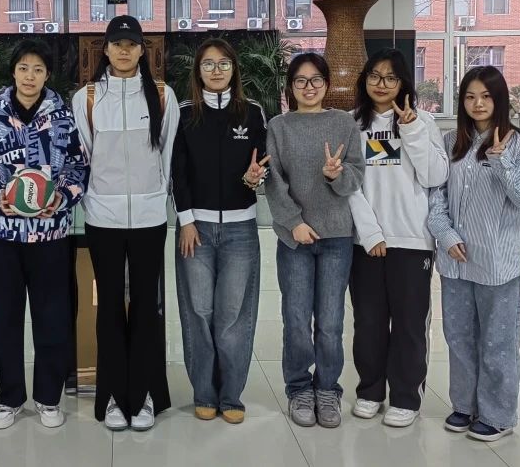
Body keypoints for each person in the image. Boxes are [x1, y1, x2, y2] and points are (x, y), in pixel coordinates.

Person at [0, 39, 89, 430]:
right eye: (23, 68)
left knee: (52, 317)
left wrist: (62, 199)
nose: (30, 76)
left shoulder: (63, 118)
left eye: (38, 69)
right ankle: (10, 398)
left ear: (47, 75)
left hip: (50, 235)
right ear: (13, 72)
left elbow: (79, 168)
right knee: (4, 318)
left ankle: (48, 398)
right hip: (2, 236)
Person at [71, 15, 180, 432]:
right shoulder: (87, 97)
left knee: (147, 309)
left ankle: (145, 394)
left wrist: (160, 198)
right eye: (116, 43)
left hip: (150, 218)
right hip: (104, 219)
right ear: (106, 49)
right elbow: (83, 156)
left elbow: (167, 154)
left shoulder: (162, 95)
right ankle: (114, 397)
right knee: (110, 309)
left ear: (141, 50)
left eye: (131, 43)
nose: (123, 50)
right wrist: (92, 200)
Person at [427, 66, 520, 442]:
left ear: (499, 99)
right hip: (457, 261)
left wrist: (501, 162)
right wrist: (445, 235)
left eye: (486, 96)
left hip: (499, 263)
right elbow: (435, 196)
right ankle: (464, 405)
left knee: (498, 341)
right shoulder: (451, 142)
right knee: (459, 337)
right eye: (470, 96)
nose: (478, 104)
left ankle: (498, 415)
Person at [346, 49, 448, 428]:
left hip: (411, 241)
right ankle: (370, 391)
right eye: (375, 75)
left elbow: (435, 176)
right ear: (365, 80)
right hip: (366, 242)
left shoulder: (424, 121)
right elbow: (349, 184)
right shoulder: (352, 123)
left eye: (391, 77)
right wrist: (370, 233)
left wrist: (412, 131)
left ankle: (406, 397)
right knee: (368, 323)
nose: (382, 84)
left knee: (408, 324)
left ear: (403, 82)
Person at [171, 38, 268, 425]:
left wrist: (254, 178)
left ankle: (230, 394)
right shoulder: (184, 113)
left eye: (223, 63)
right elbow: (177, 171)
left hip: (241, 231)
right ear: (198, 71)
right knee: (198, 312)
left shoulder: (253, 112)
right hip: (195, 228)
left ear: (234, 69)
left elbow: (262, 166)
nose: (216, 70)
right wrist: (186, 220)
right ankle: (204, 392)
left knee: (232, 317)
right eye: (208, 64)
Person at [264, 53, 364, 429]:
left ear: (327, 84)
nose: (309, 87)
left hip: (336, 236)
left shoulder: (344, 123)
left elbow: (356, 175)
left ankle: (327, 389)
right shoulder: (278, 126)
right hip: (294, 240)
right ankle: (298, 389)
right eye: (301, 81)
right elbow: (273, 180)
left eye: (316, 80)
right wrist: (294, 223)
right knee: (295, 319)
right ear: (290, 87)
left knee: (331, 321)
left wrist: (335, 175)